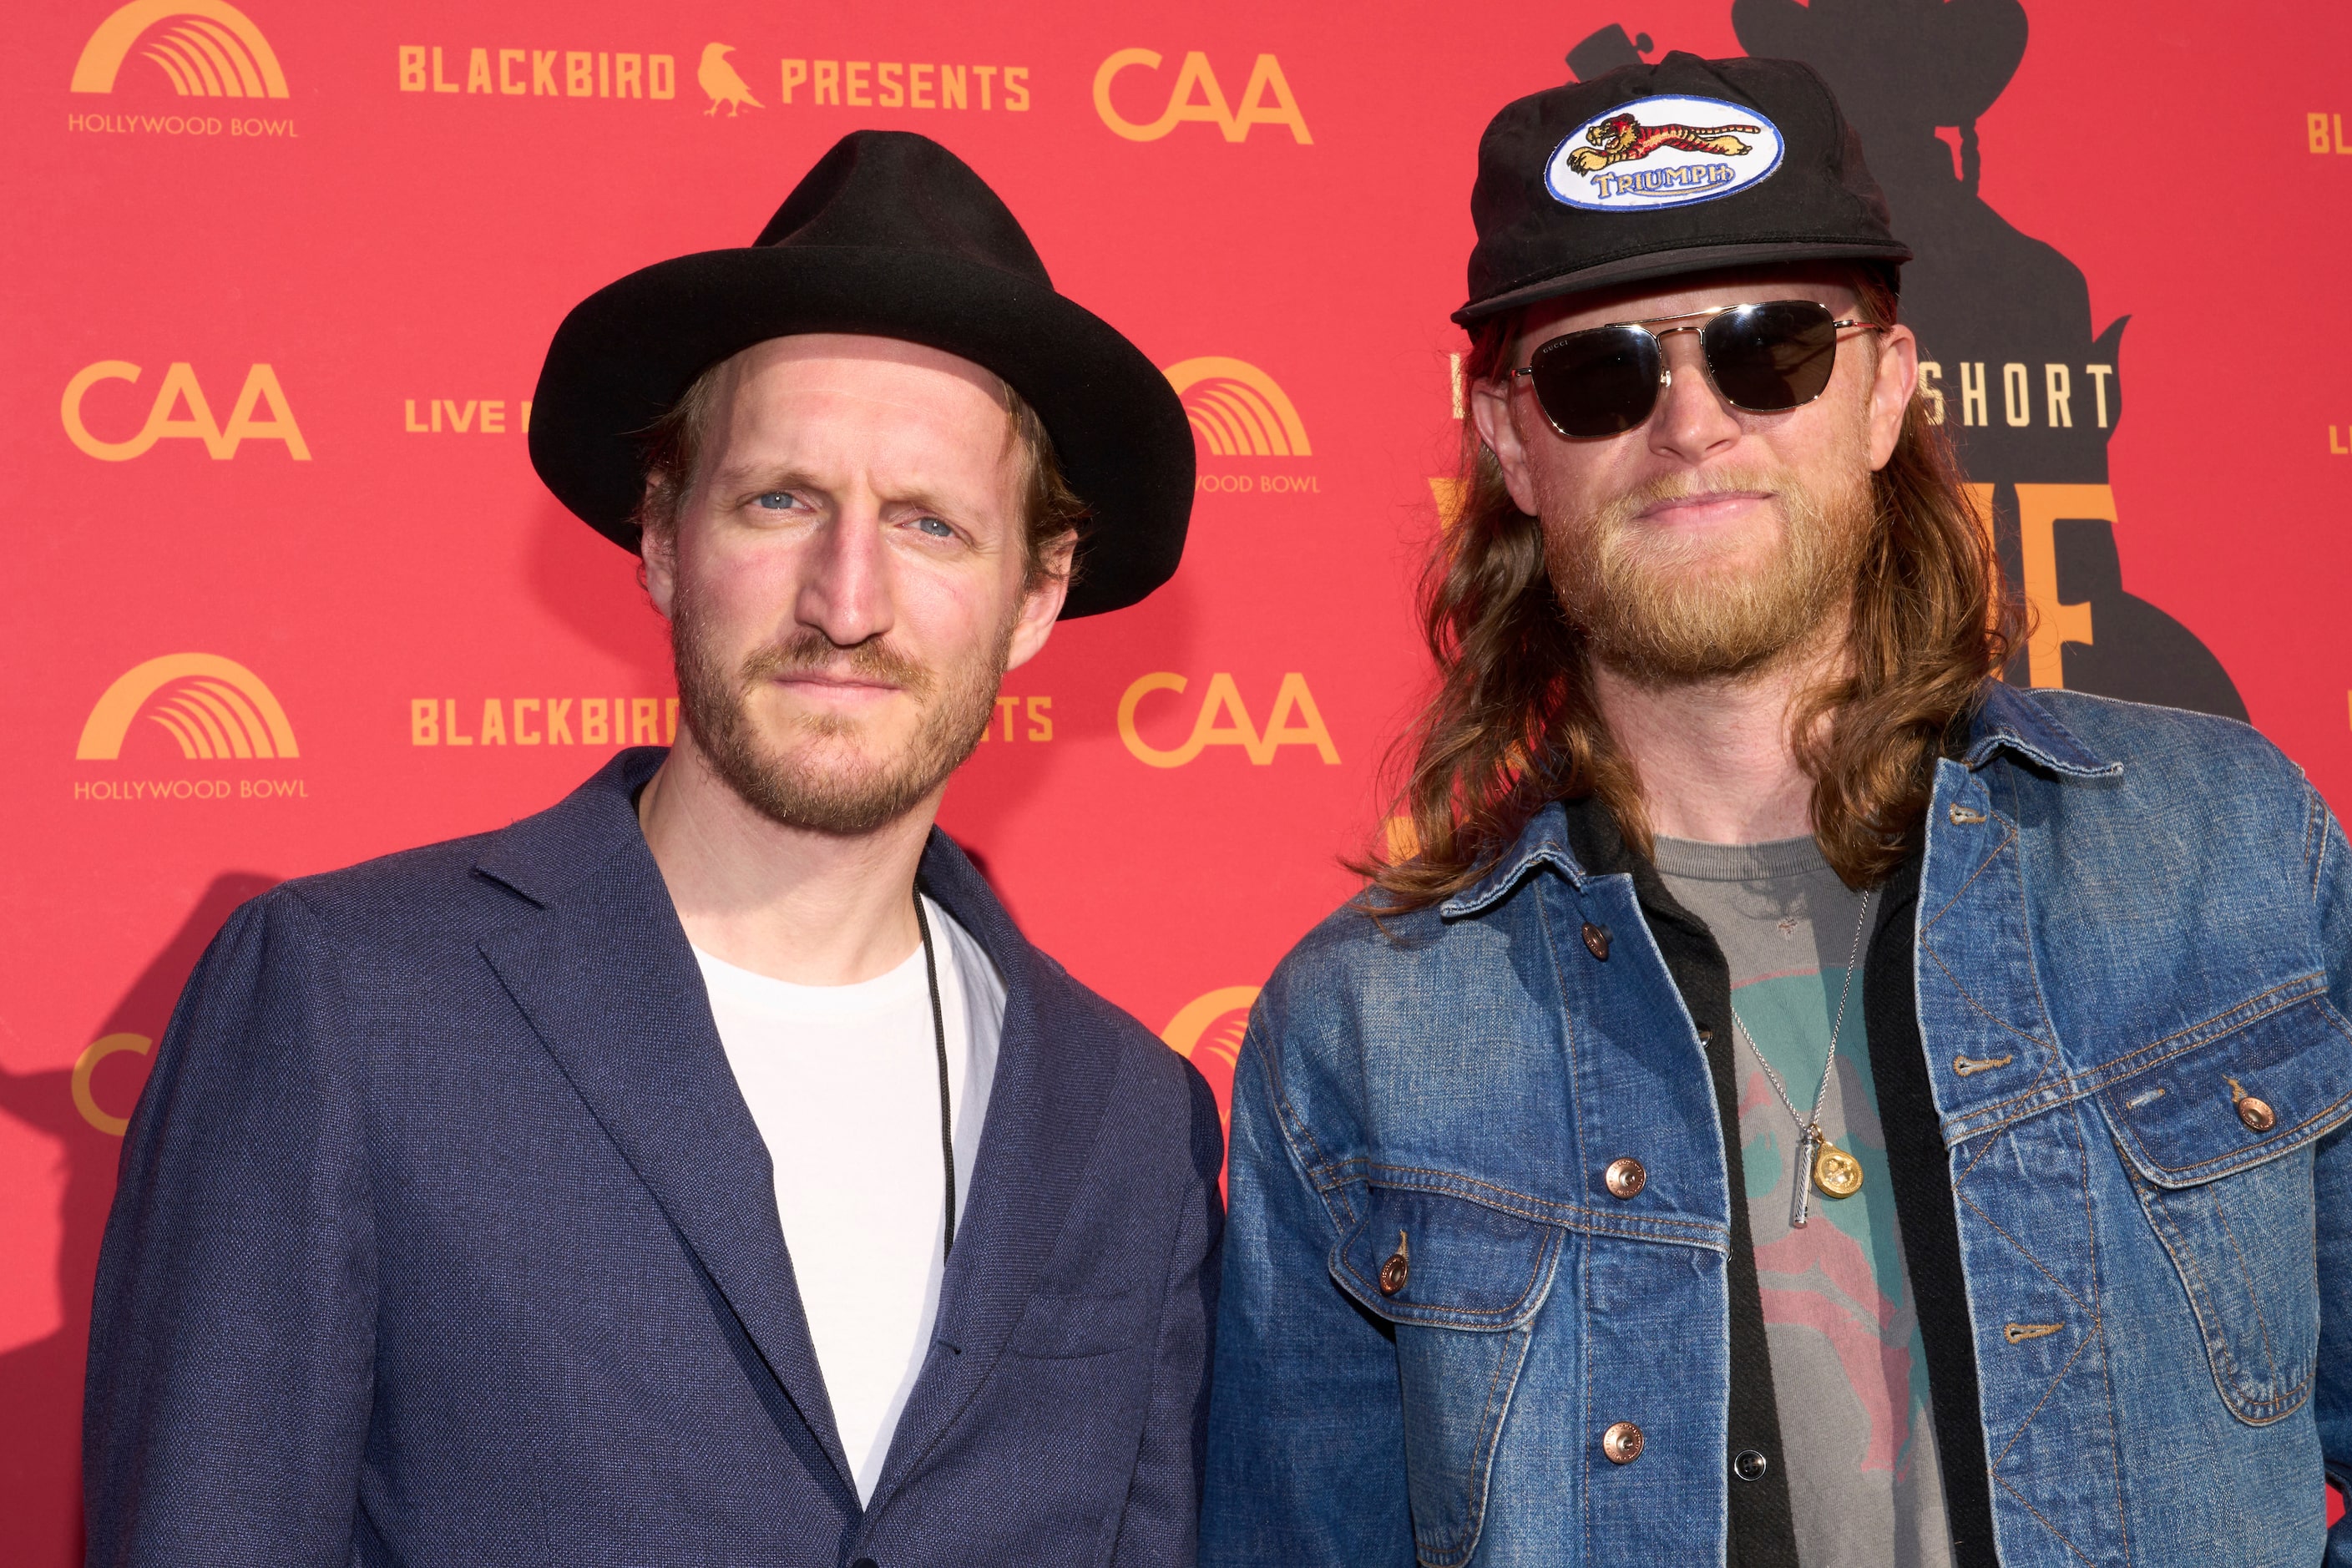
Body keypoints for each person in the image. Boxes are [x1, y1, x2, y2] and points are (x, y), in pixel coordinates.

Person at [1202, 53, 2349, 1568]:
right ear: (1506, 441)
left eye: (1771, 350)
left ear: (1884, 390)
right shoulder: (1363, 1030)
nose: (1690, 424)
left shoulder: (2227, 852)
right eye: (1603, 373)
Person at [83, 130, 1222, 1567]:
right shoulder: (341, 1003)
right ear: (663, 536)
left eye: (929, 523)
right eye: (781, 499)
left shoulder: (1134, 1119)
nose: (847, 598)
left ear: (1036, 592)